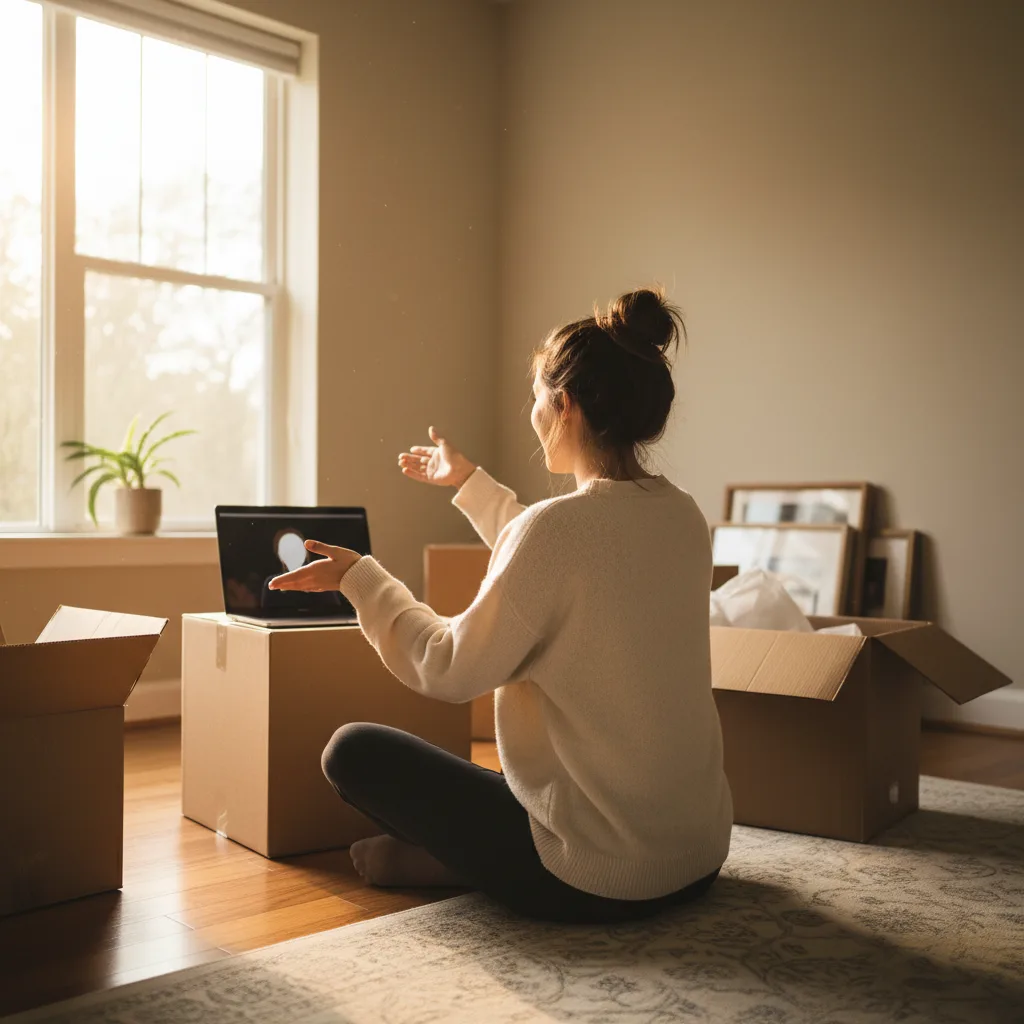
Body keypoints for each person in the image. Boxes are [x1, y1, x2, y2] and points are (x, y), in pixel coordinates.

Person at [269, 287, 733, 924]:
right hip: (697, 858)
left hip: (597, 881)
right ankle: (465, 862)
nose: (533, 413)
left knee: (351, 752)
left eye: (538, 397)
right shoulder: (684, 517)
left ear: (564, 405)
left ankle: (458, 865)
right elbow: (573, 561)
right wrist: (468, 483)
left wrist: (360, 578)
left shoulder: (554, 533)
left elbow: (447, 665)